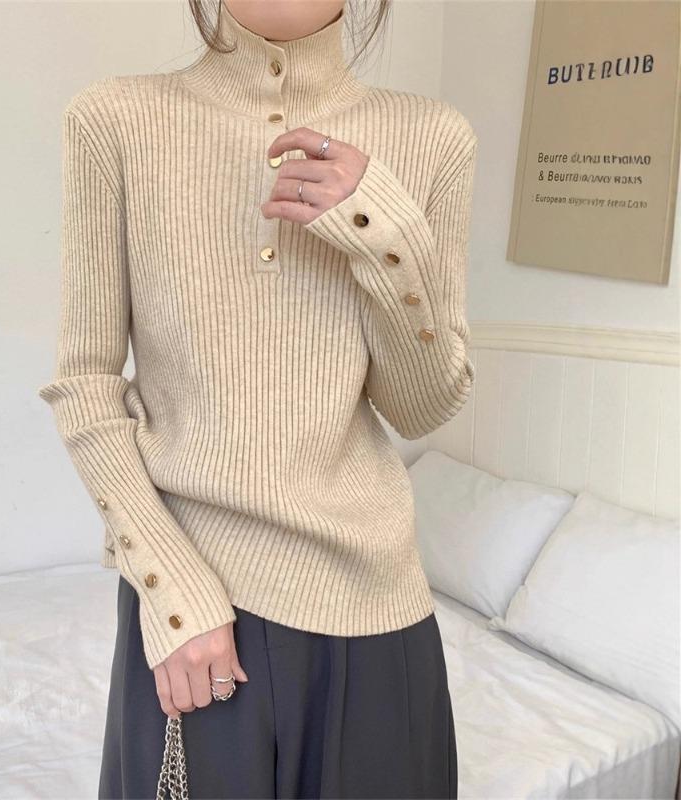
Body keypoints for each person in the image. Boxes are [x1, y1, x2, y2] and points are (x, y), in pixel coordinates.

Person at [38, 0, 478, 797]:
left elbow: (421, 407)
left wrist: (383, 231)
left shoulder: (434, 137)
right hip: (199, 621)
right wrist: (173, 594)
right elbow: (87, 387)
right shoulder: (116, 119)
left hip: (377, 612)